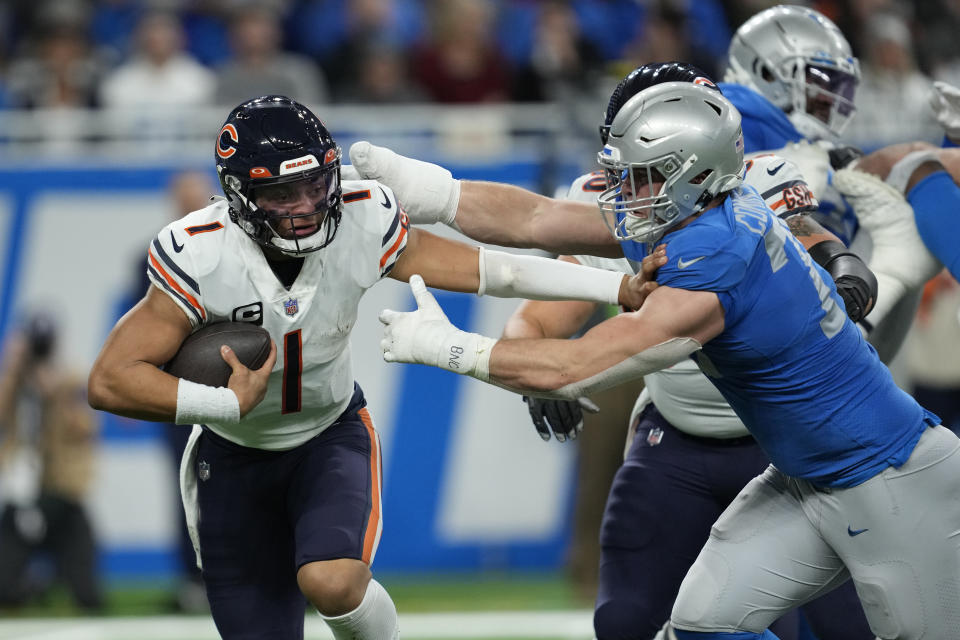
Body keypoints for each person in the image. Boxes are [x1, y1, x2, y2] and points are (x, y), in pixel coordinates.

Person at [376, 81, 959, 638]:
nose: (624, 193)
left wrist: (446, 347)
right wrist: (431, 190)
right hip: (805, 477)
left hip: (887, 476)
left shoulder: (716, 258)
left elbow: (572, 368)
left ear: (694, 173)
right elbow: (535, 219)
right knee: (707, 624)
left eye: (640, 177)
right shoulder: (698, 210)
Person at [86, 94, 655, 640]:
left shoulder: (360, 218)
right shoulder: (202, 253)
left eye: (315, 185)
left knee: (332, 582)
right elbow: (110, 379)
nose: (307, 206)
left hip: (327, 437)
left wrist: (616, 284)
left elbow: (493, 271)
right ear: (240, 196)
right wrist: (222, 404)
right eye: (284, 193)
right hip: (232, 454)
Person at [507, 63, 875, 640]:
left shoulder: (758, 189)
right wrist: (532, 361)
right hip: (674, 442)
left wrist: (842, 267)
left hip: (784, 446)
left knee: (835, 626)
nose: (628, 186)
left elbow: (812, 238)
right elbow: (539, 310)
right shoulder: (612, 207)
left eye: (646, 164)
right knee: (625, 620)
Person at [0, 312, 103, 612]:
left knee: (89, 598)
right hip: (24, 491)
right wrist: (13, 369)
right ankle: (27, 587)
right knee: (4, 591)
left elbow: (87, 429)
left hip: (62, 490)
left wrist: (56, 393)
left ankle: (56, 582)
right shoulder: (15, 381)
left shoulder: (69, 379)